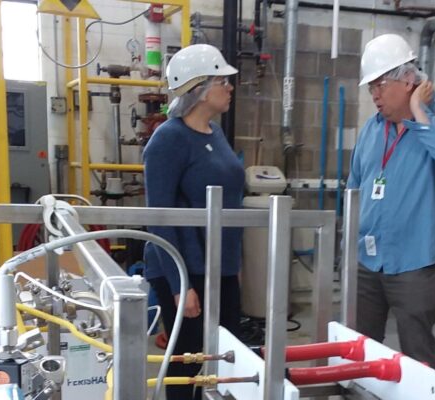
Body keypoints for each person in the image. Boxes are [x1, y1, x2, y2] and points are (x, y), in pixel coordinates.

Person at [346, 34, 435, 367]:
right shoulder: (372, 130)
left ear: (408, 80)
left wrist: (418, 111)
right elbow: (354, 187)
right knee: (361, 348)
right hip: (368, 261)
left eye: (379, 85)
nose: (374, 94)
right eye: (370, 87)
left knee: (417, 353)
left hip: (416, 263)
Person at [142, 44, 244, 400]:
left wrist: (234, 266)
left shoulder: (215, 134)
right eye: (222, 80)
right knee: (189, 359)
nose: (230, 86)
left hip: (220, 266)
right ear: (199, 88)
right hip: (185, 268)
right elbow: (159, 216)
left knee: (228, 354)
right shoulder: (168, 139)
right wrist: (179, 284)